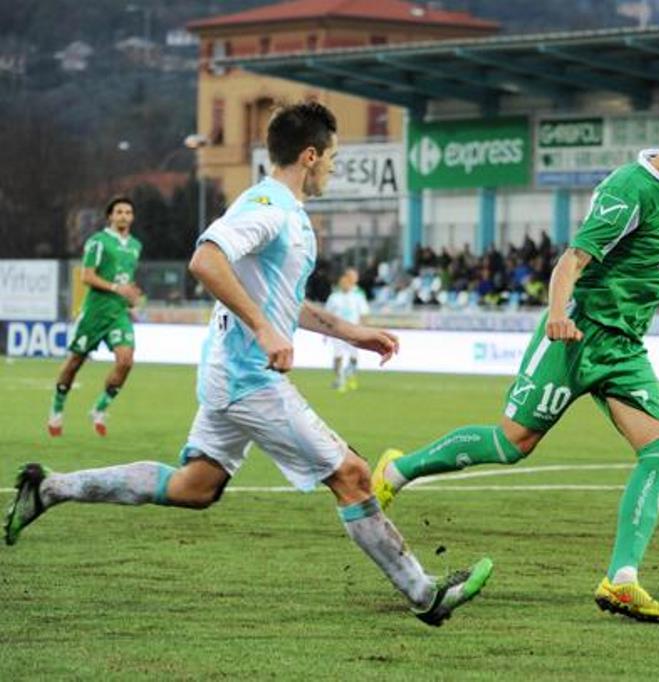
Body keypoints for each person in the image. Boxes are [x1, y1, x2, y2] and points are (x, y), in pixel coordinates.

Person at [5, 102, 492, 626]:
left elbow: (283, 302)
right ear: (310, 156)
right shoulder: (268, 206)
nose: (333, 168)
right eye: (332, 158)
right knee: (351, 474)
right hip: (247, 375)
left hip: (230, 370)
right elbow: (205, 259)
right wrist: (262, 329)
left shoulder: (289, 214)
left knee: (195, 485)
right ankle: (424, 594)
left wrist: (350, 332)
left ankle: (49, 488)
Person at [372, 109, 659, 624]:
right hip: (577, 336)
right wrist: (559, 315)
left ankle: (621, 580)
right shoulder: (627, 190)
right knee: (511, 445)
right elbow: (571, 261)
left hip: (623, 348)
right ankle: (396, 470)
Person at [48, 197, 143, 437]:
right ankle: (57, 409)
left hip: (118, 314)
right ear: (110, 216)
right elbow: (87, 276)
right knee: (74, 363)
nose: (124, 216)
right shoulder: (98, 242)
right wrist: (116, 288)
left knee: (126, 361)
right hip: (94, 313)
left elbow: (126, 279)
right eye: (119, 212)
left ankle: (99, 409)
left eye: (128, 212)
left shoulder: (135, 246)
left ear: (132, 217)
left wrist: (131, 298)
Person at [325, 268, 370, 391]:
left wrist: (362, 329)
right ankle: (339, 379)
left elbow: (364, 313)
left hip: (353, 331)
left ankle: (350, 375)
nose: (344, 285)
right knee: (338, 356)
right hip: (338, 332)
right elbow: (327, 314)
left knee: (354, 356)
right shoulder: (334, 297)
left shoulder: (357, 296)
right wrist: (326, 331)